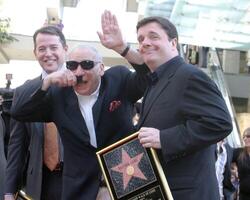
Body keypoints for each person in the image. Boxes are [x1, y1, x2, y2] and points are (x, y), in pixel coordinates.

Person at [98, 10, 232, 200]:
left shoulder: (189, 76)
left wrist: (164, 138)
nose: (145, 42)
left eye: (154, 36)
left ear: (173, 43)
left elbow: (220, 123)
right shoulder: (156, 81)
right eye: (141, 38)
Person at [10, 41, 149, 199]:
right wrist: (46, 81)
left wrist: (122, 48)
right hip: (80, 188)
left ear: (101, 68)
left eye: (87, 64)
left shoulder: (118, 80)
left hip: (127, 177)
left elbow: (148, 75)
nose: (79, 72)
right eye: (72, 65)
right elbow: (18, 111)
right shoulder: (58, 96)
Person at [4, 26, 66, 200]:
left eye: (54, 48)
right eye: (42, 49)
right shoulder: (23, 92)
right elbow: (17, 145)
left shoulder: (79, 85)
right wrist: (9, 191)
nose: (48, 53)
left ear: (65, 49)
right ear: (35, 52)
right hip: (38, 183)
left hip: (75, 180)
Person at [232, 128, 250, 200]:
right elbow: (225, 159)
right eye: (244, 137)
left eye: (248, 136)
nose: (245, 138)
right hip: (244, 195)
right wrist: (233, 171)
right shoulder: (239, 152)